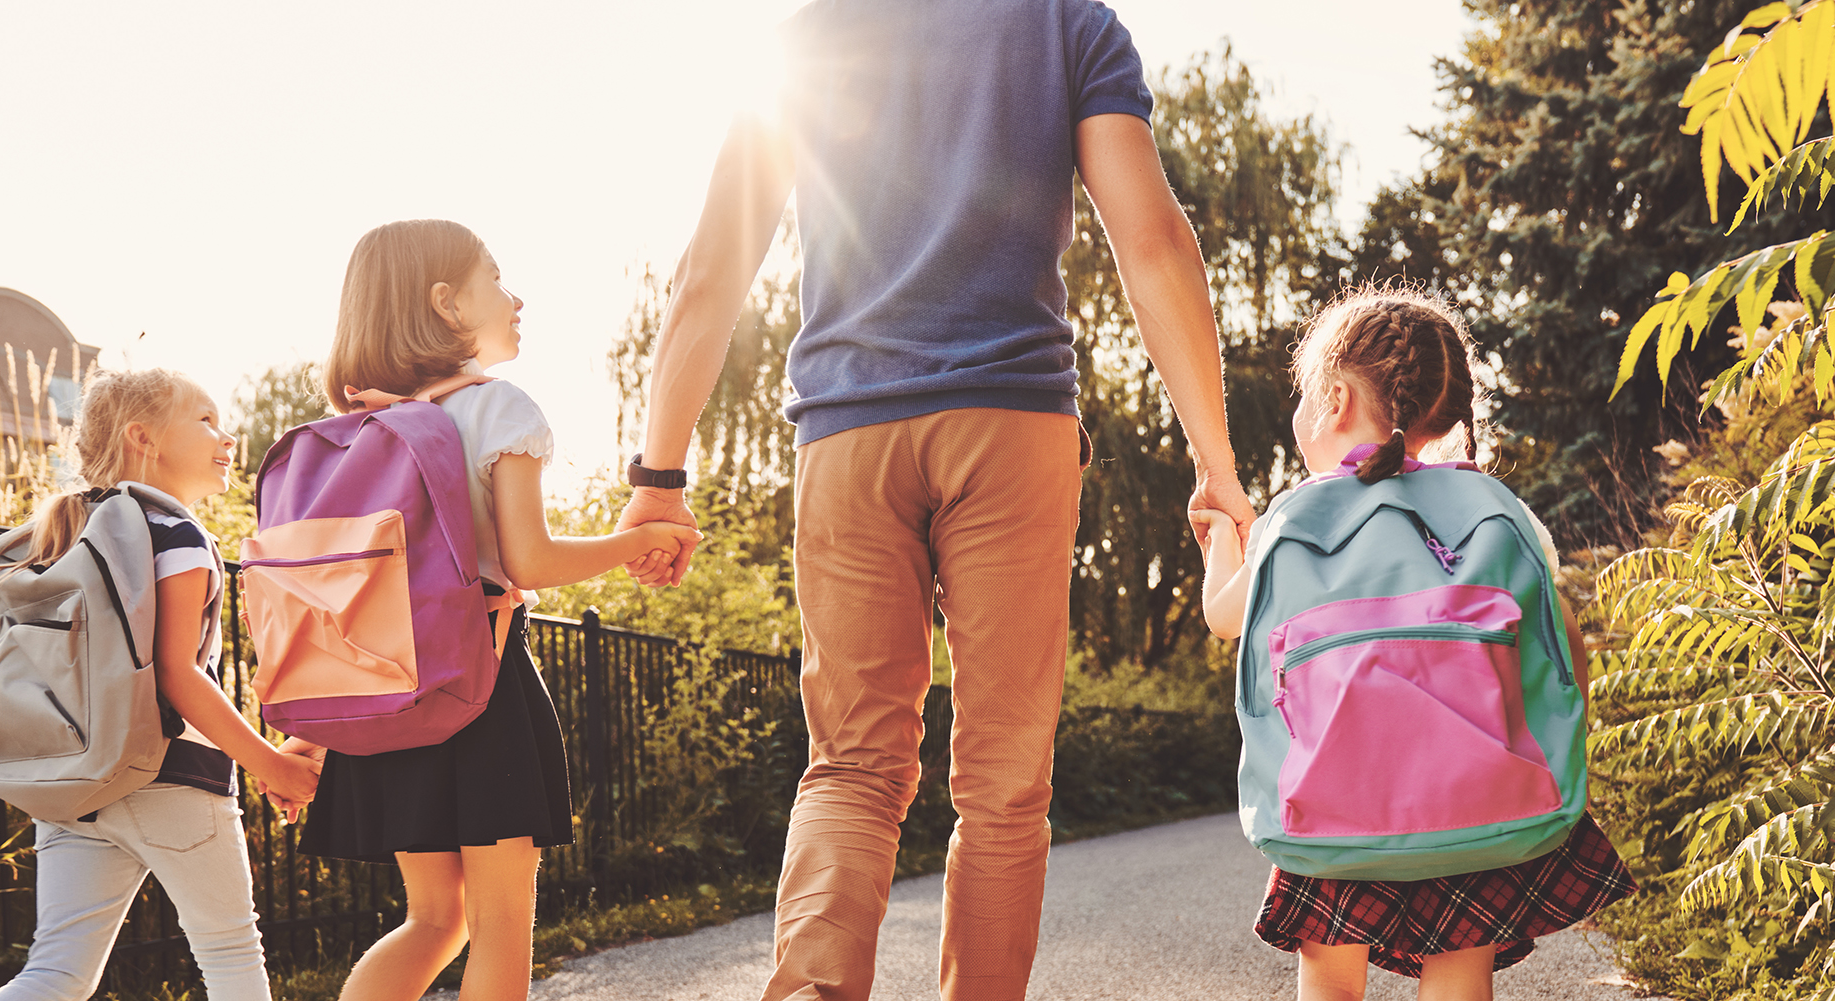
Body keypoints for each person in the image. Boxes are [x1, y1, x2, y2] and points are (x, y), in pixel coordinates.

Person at [614, 2, 1253, 997]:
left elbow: (712, 269)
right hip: (1012, 426)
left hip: (848, 432)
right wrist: (1214, 458)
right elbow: (1154, 239)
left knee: (852, 764)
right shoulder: (1063, 23)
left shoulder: (813, 31)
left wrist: (657, 478)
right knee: (1003, 784)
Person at [274, 219, 698, 1001]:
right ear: (446, 303)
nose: (516, 296)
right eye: (497, 279)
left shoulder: (353, 431)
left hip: (389, 701)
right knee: (501, 928)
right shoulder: (496, 409)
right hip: (482, 690)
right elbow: (529, 560)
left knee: (433, 919)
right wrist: (641, 537)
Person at [1192, 288, 1636, 1001]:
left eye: (1306, 394)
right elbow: (1563, 645)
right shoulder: (1493, 507)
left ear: (1334, 400)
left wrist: (1220, 539)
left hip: (1332, 801)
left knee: (1331, 984)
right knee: (1459, 981)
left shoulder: (1295, 517)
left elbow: (1225, 616)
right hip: (1480, 796)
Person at [0, 368, 322, 1001]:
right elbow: (178, 674)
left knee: (56, 973)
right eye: (205, 420)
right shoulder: (177, 533)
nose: (228, 437)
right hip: (171, 776)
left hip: (73, 782)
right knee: (230, 955)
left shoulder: (61, 531)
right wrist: (269, 764)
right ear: (145, 438)